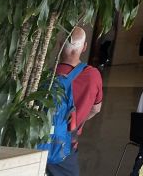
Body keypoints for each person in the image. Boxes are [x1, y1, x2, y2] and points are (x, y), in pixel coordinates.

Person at [47, 26, 103, 176]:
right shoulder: (93, 75)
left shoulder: (46, 75)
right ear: (84, 47)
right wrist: (76, 122)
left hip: (39, 139)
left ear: (60, 45)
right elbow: (96, 109)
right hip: (66, 144)